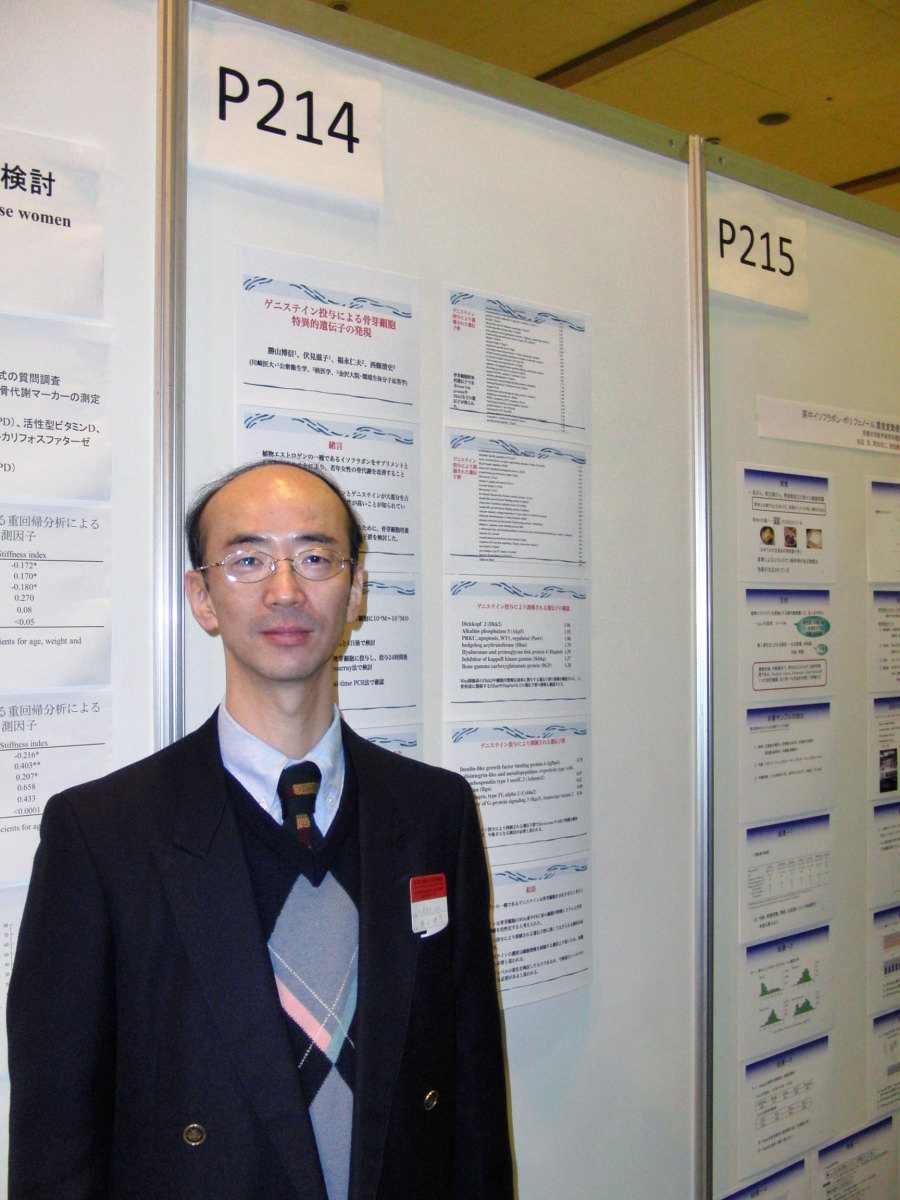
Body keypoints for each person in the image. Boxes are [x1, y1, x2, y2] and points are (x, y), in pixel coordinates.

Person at [7, 459, 514, 1200]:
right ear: (202, 597)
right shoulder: (102, 834)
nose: (285, 590)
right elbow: (56, 1143)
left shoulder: (435, 812)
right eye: (247, 560)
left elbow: (473, 1101)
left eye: (315, 558)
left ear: (356, 591)